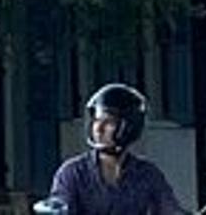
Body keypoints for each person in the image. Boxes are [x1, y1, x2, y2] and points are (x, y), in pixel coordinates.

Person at [47, 83, 185, 215]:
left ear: (128, 127)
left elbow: (170, 209)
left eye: (108, 122)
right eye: (96, 120)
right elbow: (60, 206)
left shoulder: (147, 175)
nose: (98, 129)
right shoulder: (72, 173)